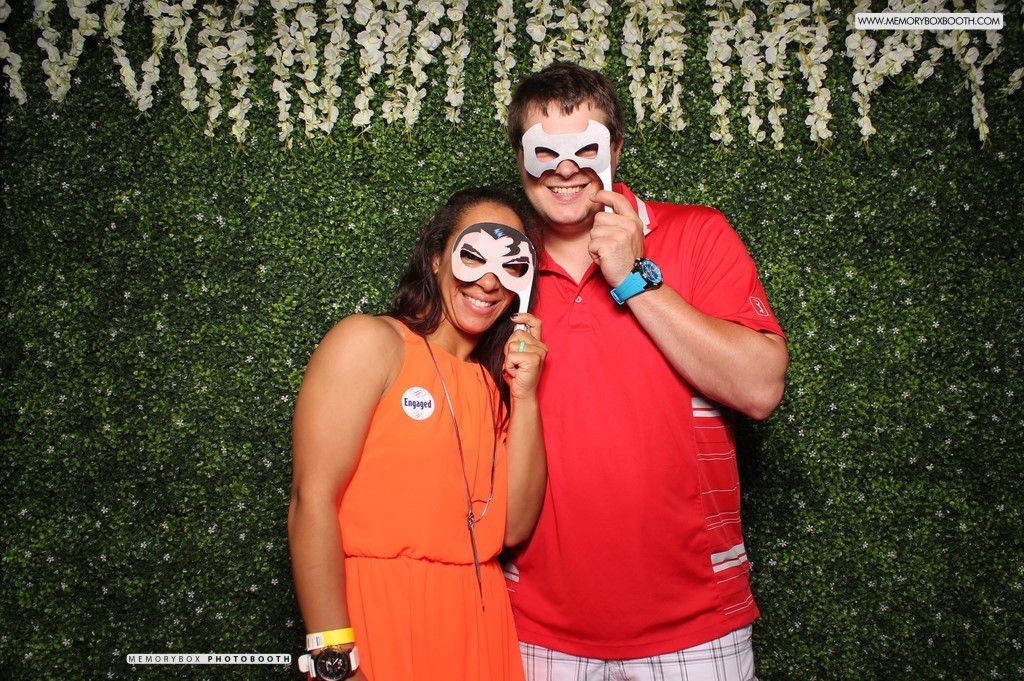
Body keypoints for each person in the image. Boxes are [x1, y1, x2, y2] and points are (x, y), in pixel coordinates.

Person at [502, 63, 789, 680]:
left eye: (585, 148)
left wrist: (634, 278)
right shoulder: (496, 269)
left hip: (694, 624)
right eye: (544, 150)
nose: (565, 169)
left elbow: (761, 388)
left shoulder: (698, 234)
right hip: (534, 628)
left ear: (616, 150)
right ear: (519, 159)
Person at [288, 187, 548, 681]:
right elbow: (312, 498)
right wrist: (334, 658)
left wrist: (527, 395)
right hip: (381, 614)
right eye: (473, 255)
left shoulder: (494, 386)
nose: (489, 281)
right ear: (435, 257)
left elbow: (512, 528)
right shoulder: (371, 342)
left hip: (479, 622)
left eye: (511, 265)